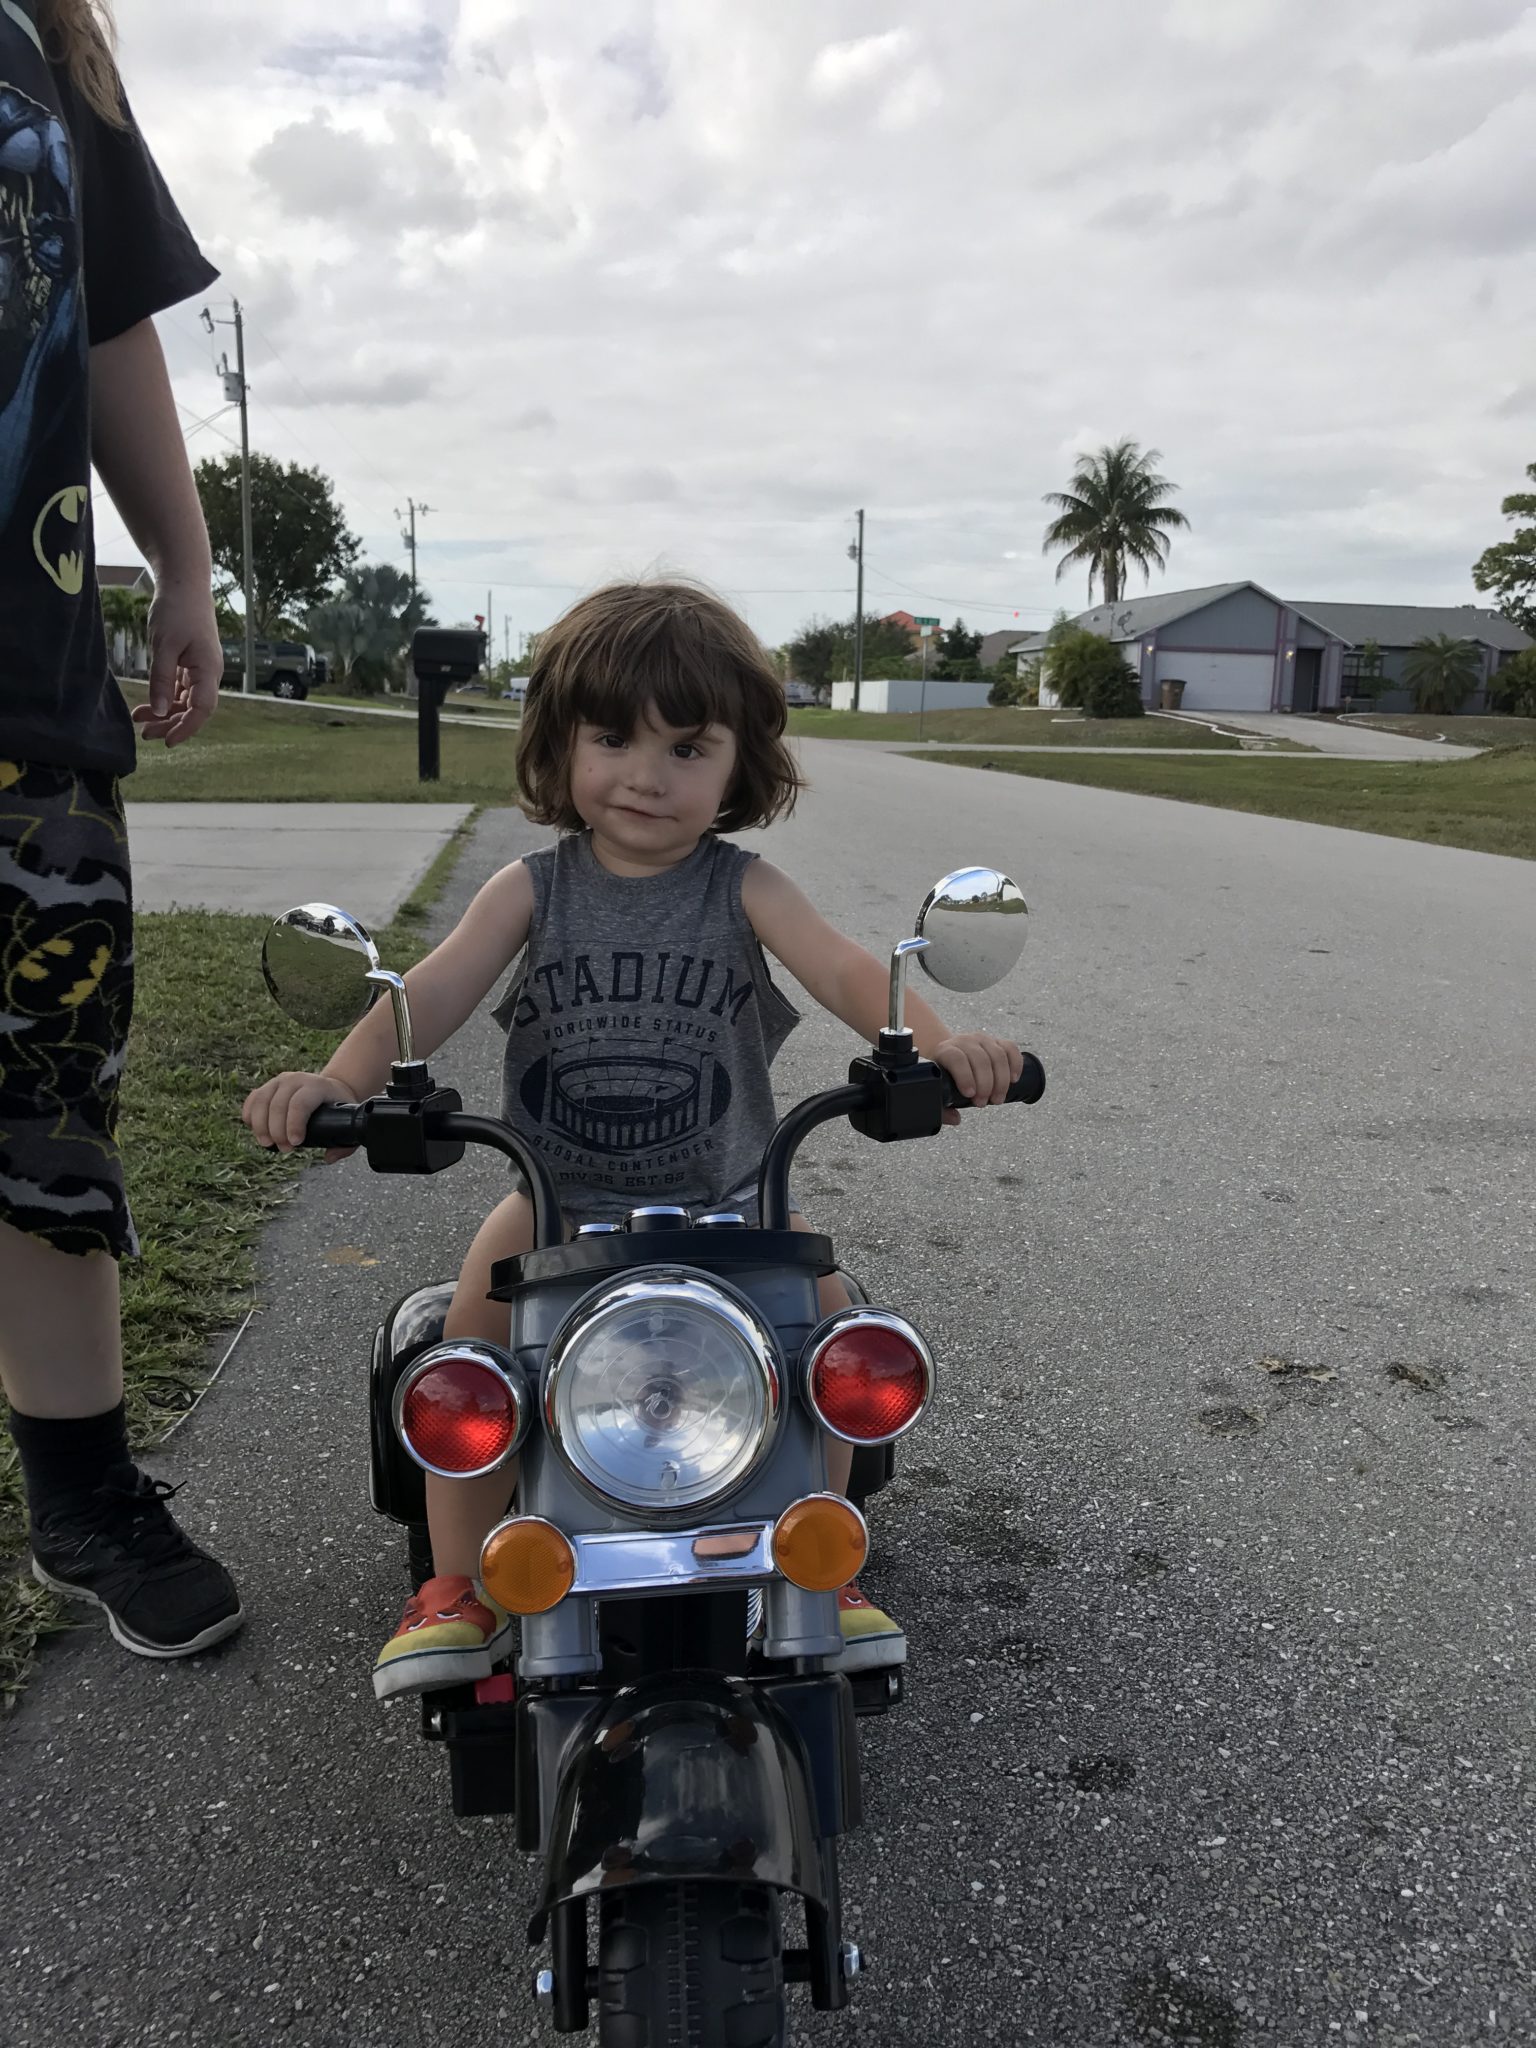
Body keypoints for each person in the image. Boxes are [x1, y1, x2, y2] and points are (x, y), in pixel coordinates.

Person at [243, 580, 1023, 1699]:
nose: (645, 774)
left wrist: (941, 1047)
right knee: (469, 1355)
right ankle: (457, 1580)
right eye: (611, 737)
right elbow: (434, 987)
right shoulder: (532, 888)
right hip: (556, 1200)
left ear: (738, 764)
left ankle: (825, 1546)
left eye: (687, 745)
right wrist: (338, 1080)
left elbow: (853, 970)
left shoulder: (744, 885)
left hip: (736, 1200)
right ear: (559, 743)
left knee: (833, 1328)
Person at [0, 0, 242, 1657]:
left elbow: (107, 324)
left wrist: (184, 564)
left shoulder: (46, 41)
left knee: (47, 1109)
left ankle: (80, 1495)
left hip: (27, 689)